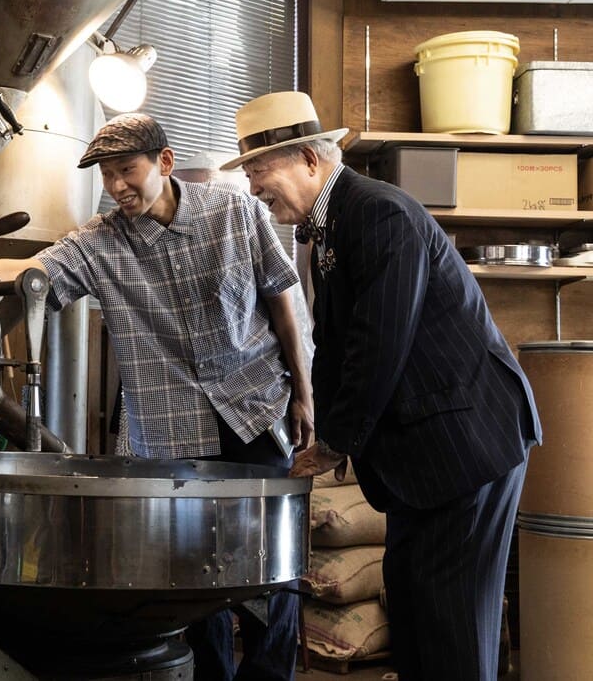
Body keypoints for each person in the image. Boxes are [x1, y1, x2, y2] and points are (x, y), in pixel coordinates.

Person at [0, 112, 313, 681]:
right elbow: (34, 271)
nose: (116, 186)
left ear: (164, 161)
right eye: (106, 175)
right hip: (171, 428)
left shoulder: (234, 211)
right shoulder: (99, 241)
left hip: (255, 409)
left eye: (126, 170)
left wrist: (305, 394)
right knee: (190, 569)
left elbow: (283, 298)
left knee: (270, 568)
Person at [225, 91, 542, 681]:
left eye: (259, 170)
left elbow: (378, 343)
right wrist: (319, 418)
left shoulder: (378, 213)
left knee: (450, 630)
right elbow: (333, 345)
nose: (253, 187)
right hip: (424, 459)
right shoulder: (328, 228)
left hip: (464, 444)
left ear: (309, 159)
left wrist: (334, 443)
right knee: (414, 611)